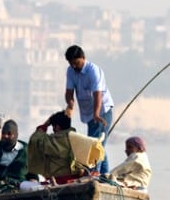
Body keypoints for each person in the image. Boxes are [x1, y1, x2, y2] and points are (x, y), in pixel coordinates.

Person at [64, 45, 114, 174]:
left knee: (94, 144)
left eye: (76, 63)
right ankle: (104, 174)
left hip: (102, 111)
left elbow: (98, 94)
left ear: (83, 58)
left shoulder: (93, 71)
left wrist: (96, 114)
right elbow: (69, 92)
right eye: (71, 63)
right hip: (89, 113)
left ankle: (94, 173)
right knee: (98, 144)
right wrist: (70, 105)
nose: (74, 66)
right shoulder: (70, 71)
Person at [27, 110, 104, 181]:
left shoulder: (52, 141)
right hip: (78, 179)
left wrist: (45, 125)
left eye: (53, 127)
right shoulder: (79, 139)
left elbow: (35, 140)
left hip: (58, 180)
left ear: (57, 127)